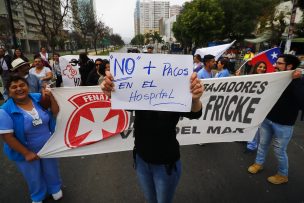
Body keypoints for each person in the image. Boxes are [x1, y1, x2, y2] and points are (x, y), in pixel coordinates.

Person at [101, 71, 203, 203]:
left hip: (166, 165)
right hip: (141, 160)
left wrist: (195, 100)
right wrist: (112, 92)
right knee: (150, 199)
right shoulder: (140, 91)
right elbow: (123, 97)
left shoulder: (174, 93)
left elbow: (195, 113)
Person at [0, 75, 63, 203]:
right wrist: (26, 153)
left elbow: (55, 112)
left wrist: (51, 97)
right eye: (14, 87)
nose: (19, 89)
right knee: (33, 176)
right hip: (24, 151)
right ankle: (38, 196)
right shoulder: (4, 111)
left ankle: (55, 188)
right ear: (8, 91)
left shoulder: (38, 97)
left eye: (22, 85)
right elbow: (7, 137)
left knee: (51, 169)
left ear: (27, 86)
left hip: (47, 145)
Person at [248, 54, 304, 184]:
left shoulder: (300, 81)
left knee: (279, 150)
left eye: (279, 63)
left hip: (284, 124)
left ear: (289, 66)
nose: (275, 65)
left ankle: (283, 175)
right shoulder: (276, 78)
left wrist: (295, 81)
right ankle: (258, 164)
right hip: (267, 119)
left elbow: (302, 102)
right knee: (262, 144)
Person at [244, 61, 267, 152]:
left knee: (255, 127)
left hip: (258, 107)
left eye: (264, 67)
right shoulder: (250, 77)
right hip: (248, 105)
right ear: (256, 67)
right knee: (247, 125)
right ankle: (247, 140)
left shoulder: (267, 78)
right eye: (260, 66)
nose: (262, 69)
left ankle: (252, 145)